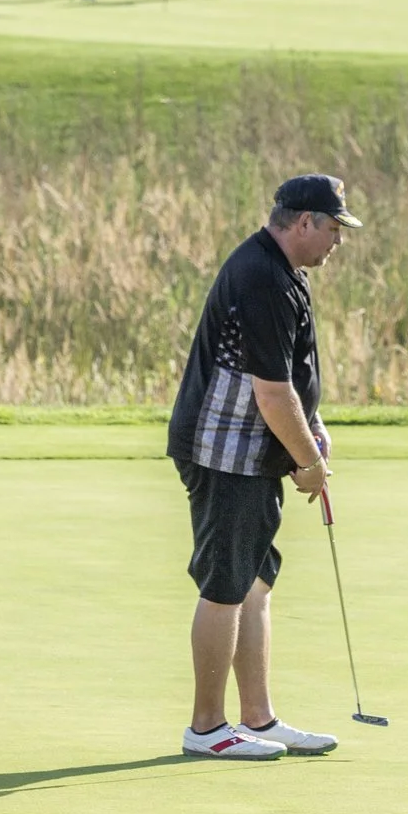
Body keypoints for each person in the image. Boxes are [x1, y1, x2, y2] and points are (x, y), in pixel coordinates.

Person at [166, 174, 363, 761]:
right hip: (223, 452)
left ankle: (257, 718)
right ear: (303, 222)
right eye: (332, 229)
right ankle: (206, 728)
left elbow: (293, 378)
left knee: (254, 580)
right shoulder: (262, 278)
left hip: (248, 454)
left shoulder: (284, 274)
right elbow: (272, 394)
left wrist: (315, 431)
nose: (337, 242)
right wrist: (308, 464)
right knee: (226, 584)